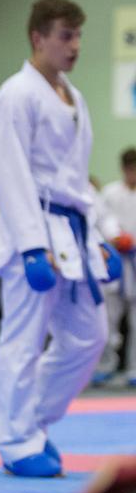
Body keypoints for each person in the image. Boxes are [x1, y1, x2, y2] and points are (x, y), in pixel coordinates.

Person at [0, 0, 120, 478]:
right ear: (38, 37)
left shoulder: (73, 96)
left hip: (71, 233)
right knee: (22, 339)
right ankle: (17, 441)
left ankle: (33, 420)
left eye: (79, 35)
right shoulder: (17, 94)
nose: (75, 45)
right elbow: (8, 173)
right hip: (32, 234)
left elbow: (78, 180)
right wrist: (32, 246)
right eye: (66, 35)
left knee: (90, 336)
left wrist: (101, 234)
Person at [94, 148, 136, 387]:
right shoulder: (110, 193)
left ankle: (133, 368)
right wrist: (117, 237)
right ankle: (105, 365)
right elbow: (103, 222)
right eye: (129, 170)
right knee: (108, 318)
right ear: (123, 170)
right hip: (115, 261)